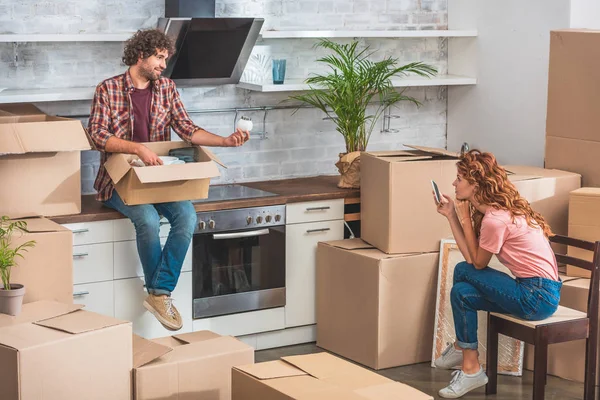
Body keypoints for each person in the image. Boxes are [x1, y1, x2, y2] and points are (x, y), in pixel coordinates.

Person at [88, 29, 249, 331]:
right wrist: (137, 148)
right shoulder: (107, 89)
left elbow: (187, 128)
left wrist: (225, 142)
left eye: (165, 58)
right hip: (119, 180)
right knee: (147, 220)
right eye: (159, 57)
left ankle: (158, 292)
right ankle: (161, 294)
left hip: (158, 180)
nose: (163, 64)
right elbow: (97, 136)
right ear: (141, 56)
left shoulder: (166, 88)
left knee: (187, 216)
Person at [432, 150, 561, 399]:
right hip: (535, 290)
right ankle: (470, 366)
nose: (453, 183)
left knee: (462, 270)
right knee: (461, 293)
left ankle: (463, 350)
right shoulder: (495, 212)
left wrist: (463, 219)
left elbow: (475, 264)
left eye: (459, 178)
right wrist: (451, 215)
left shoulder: (495, 219)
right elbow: (473, 259)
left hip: (537, 296)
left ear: (476, 184)